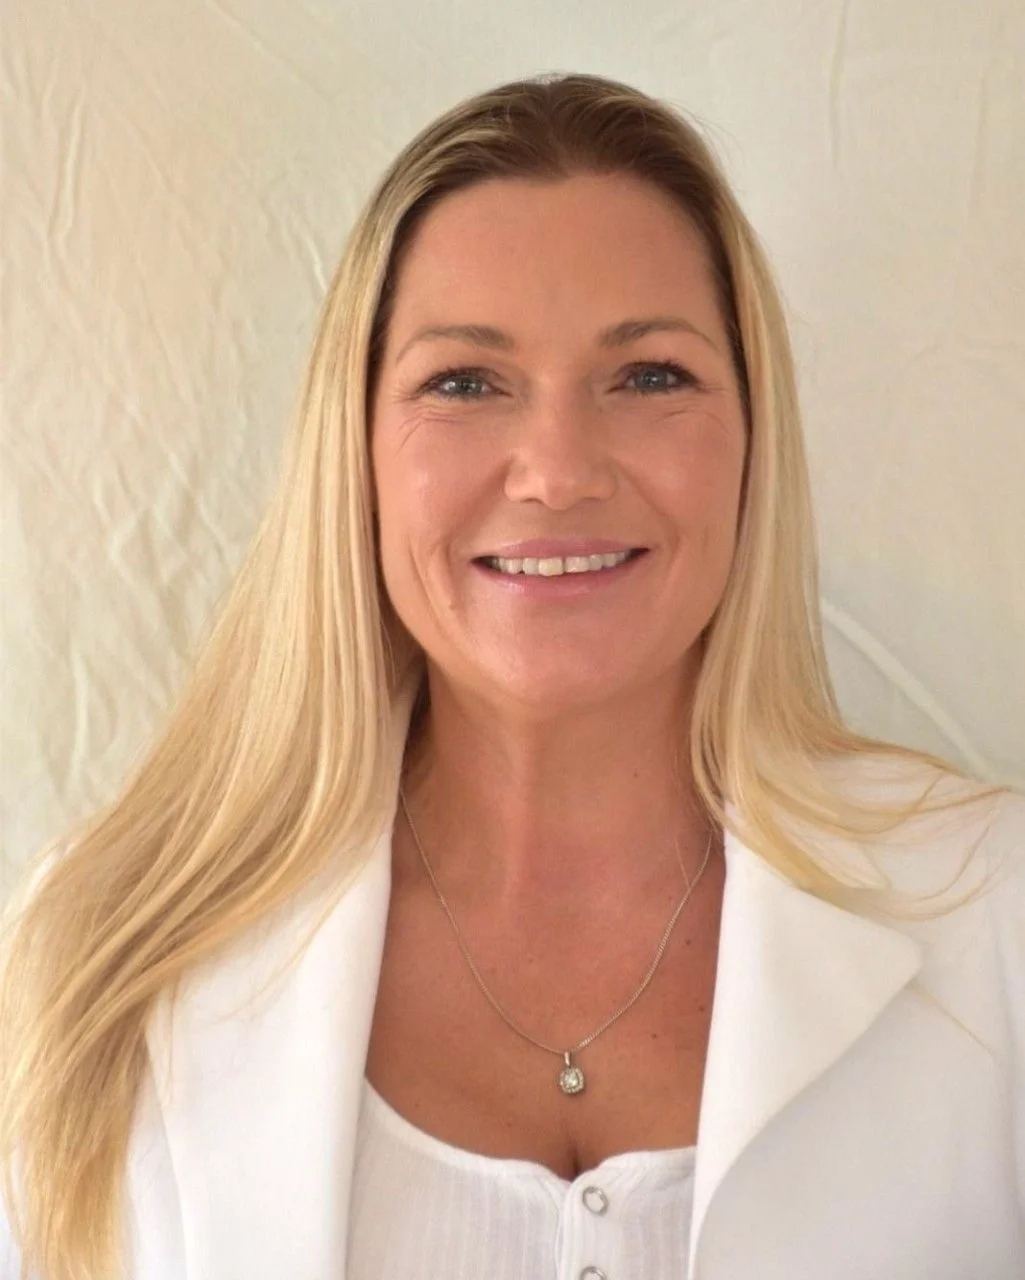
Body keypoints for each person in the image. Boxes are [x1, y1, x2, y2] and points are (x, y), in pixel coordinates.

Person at [1, 72, 1022, 1280]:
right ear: (358, 449)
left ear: (752, 439)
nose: (555, 469)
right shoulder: (103, 950)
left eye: (649, 375)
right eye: (463, 381)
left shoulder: (991, 912)